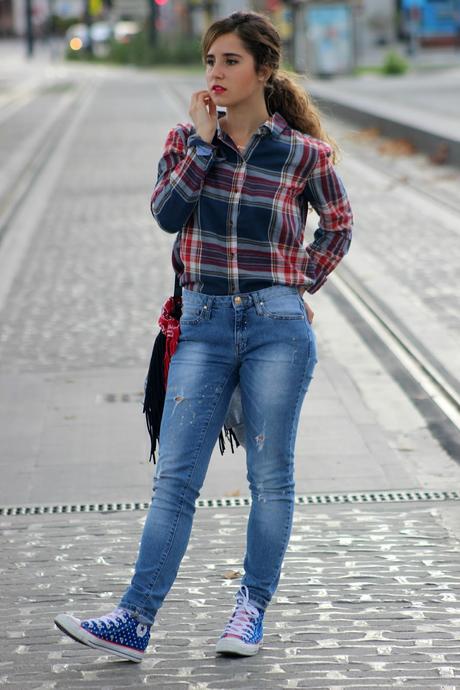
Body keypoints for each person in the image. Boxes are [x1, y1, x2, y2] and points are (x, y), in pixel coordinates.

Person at [54, 10, 353, 662]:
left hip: (277, 329)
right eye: (210, 61)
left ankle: (250, 610)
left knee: (270, 477)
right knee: (175, 479)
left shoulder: (302, 153)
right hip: (203, 326)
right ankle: (133, 619)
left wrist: (297, 282)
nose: (215, 73)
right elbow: (167, 213)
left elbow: (339, 223)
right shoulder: (185, 141)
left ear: (264, 71)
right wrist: (199, 141)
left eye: (230, 61)